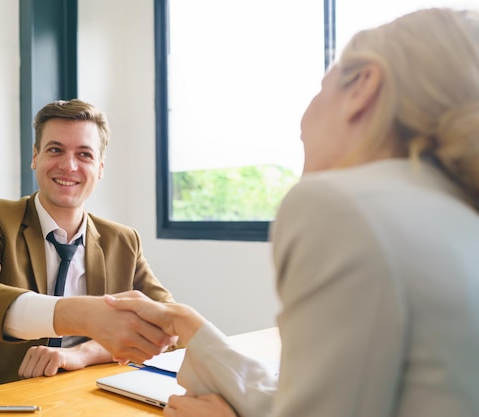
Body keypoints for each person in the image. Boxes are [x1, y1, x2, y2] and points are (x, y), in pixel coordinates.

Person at [107, 7, 479, 417]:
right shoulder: (453, 217)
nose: (303, 119)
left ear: (363, 87)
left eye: (323, 86)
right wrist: (193, 330)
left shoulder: (340, 207)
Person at [0, 99, 177, 399]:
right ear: (35, 156)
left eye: (84, 154)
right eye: (55, 150)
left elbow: (170, 327)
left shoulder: (122, 240)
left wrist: (85, 352)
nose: (69, 165)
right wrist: (82, 315)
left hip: (80, 396)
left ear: (100, 168)